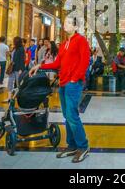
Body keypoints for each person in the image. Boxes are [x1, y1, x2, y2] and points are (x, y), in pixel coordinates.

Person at [29, 16, 90, 163]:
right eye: (65, 22)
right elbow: (57, 63)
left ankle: (83, 146)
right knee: (67, 116)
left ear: (75, 27)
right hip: (63, 84)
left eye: (68, 22)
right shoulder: (64, 44)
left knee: (72, 115)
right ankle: (72, 145)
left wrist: (75, 78)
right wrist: (40, 66)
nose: (65, 25)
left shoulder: (81, 40)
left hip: (73, 84)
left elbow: (85, 61)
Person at [6, 37, 25, 102]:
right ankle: (9, 97)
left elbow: (22, 59)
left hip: (18, 68)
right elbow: (12, 57)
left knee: (18, 83)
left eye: (14, 41)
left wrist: (21, 69)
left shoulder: (21, 49)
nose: (13, 42)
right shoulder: (14, 48)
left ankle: (19, 97)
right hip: (12, 68)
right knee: (10, 82)